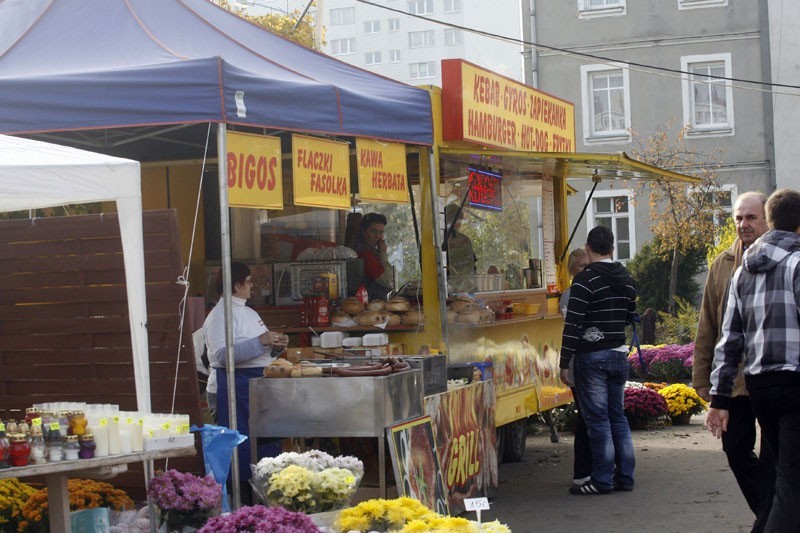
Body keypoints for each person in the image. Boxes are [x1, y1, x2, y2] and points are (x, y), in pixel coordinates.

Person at [707, 188, 800, 532]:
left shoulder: (742, 271)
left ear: (770, 220)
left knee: (780, 471)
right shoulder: (796, 264)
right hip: (793, 384)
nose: (744, 224)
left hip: (760, 386)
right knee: (790, 479)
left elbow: (729, 339)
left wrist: (718, 397)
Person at [692, 191, 774, 530]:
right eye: (739, 218)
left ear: (768, 220)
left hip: (773, 377)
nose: (744, 224)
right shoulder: (723, 263)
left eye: (751, 217)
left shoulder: (783, 260)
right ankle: (768, 514)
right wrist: (701, 378)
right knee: (736, 449)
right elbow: (708, 322)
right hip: (734, 380)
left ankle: (770, 521)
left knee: (775, 459)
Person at [559, 226, 637, 495]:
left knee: (598, 421)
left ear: (588, 248)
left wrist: (563, 362)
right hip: (618, 352)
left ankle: (601, 479)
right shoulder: (626, 278)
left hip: (591, 357)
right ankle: (625, 476)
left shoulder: (584, 281)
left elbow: (573, 325)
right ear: (612, 248)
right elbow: (630, 315)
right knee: (618, 417)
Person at [203, 262, 288, 503]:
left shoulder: (250, 313)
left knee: (263, 444)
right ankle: (242, 500)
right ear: (237, 285)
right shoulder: (219, 316)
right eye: (249, 281)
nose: (253, 285)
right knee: (239, 446)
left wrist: (276, 348)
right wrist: (262, 341)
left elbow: (262, 351)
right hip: (233, 386)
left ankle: (264, 494)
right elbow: (221, 356)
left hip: (258, 384)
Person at [559, 248, 592, 486]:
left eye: (588, 265)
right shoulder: (570, 296)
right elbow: (572, 331)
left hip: (587, 363)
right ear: (571, 270)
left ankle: (590, 468)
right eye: (581, 266)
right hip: (577, 364)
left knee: (592, 417)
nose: (585, 270)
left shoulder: (589, 290)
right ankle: (582, 470)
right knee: (586, 417)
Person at [350, 212, 393, 300]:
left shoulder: (371, 251)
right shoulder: (364, 253)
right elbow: (386, 281)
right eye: (373, 231)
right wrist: (383, 253)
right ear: (363, 231)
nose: (377, 236)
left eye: (381, 232)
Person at [444, 203, 477, 293]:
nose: (457, 225)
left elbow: (471, 266)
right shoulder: (436, 241)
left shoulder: (465, 240)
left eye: (459, 222)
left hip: (464, 290)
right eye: (452, 221)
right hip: (444, 290)